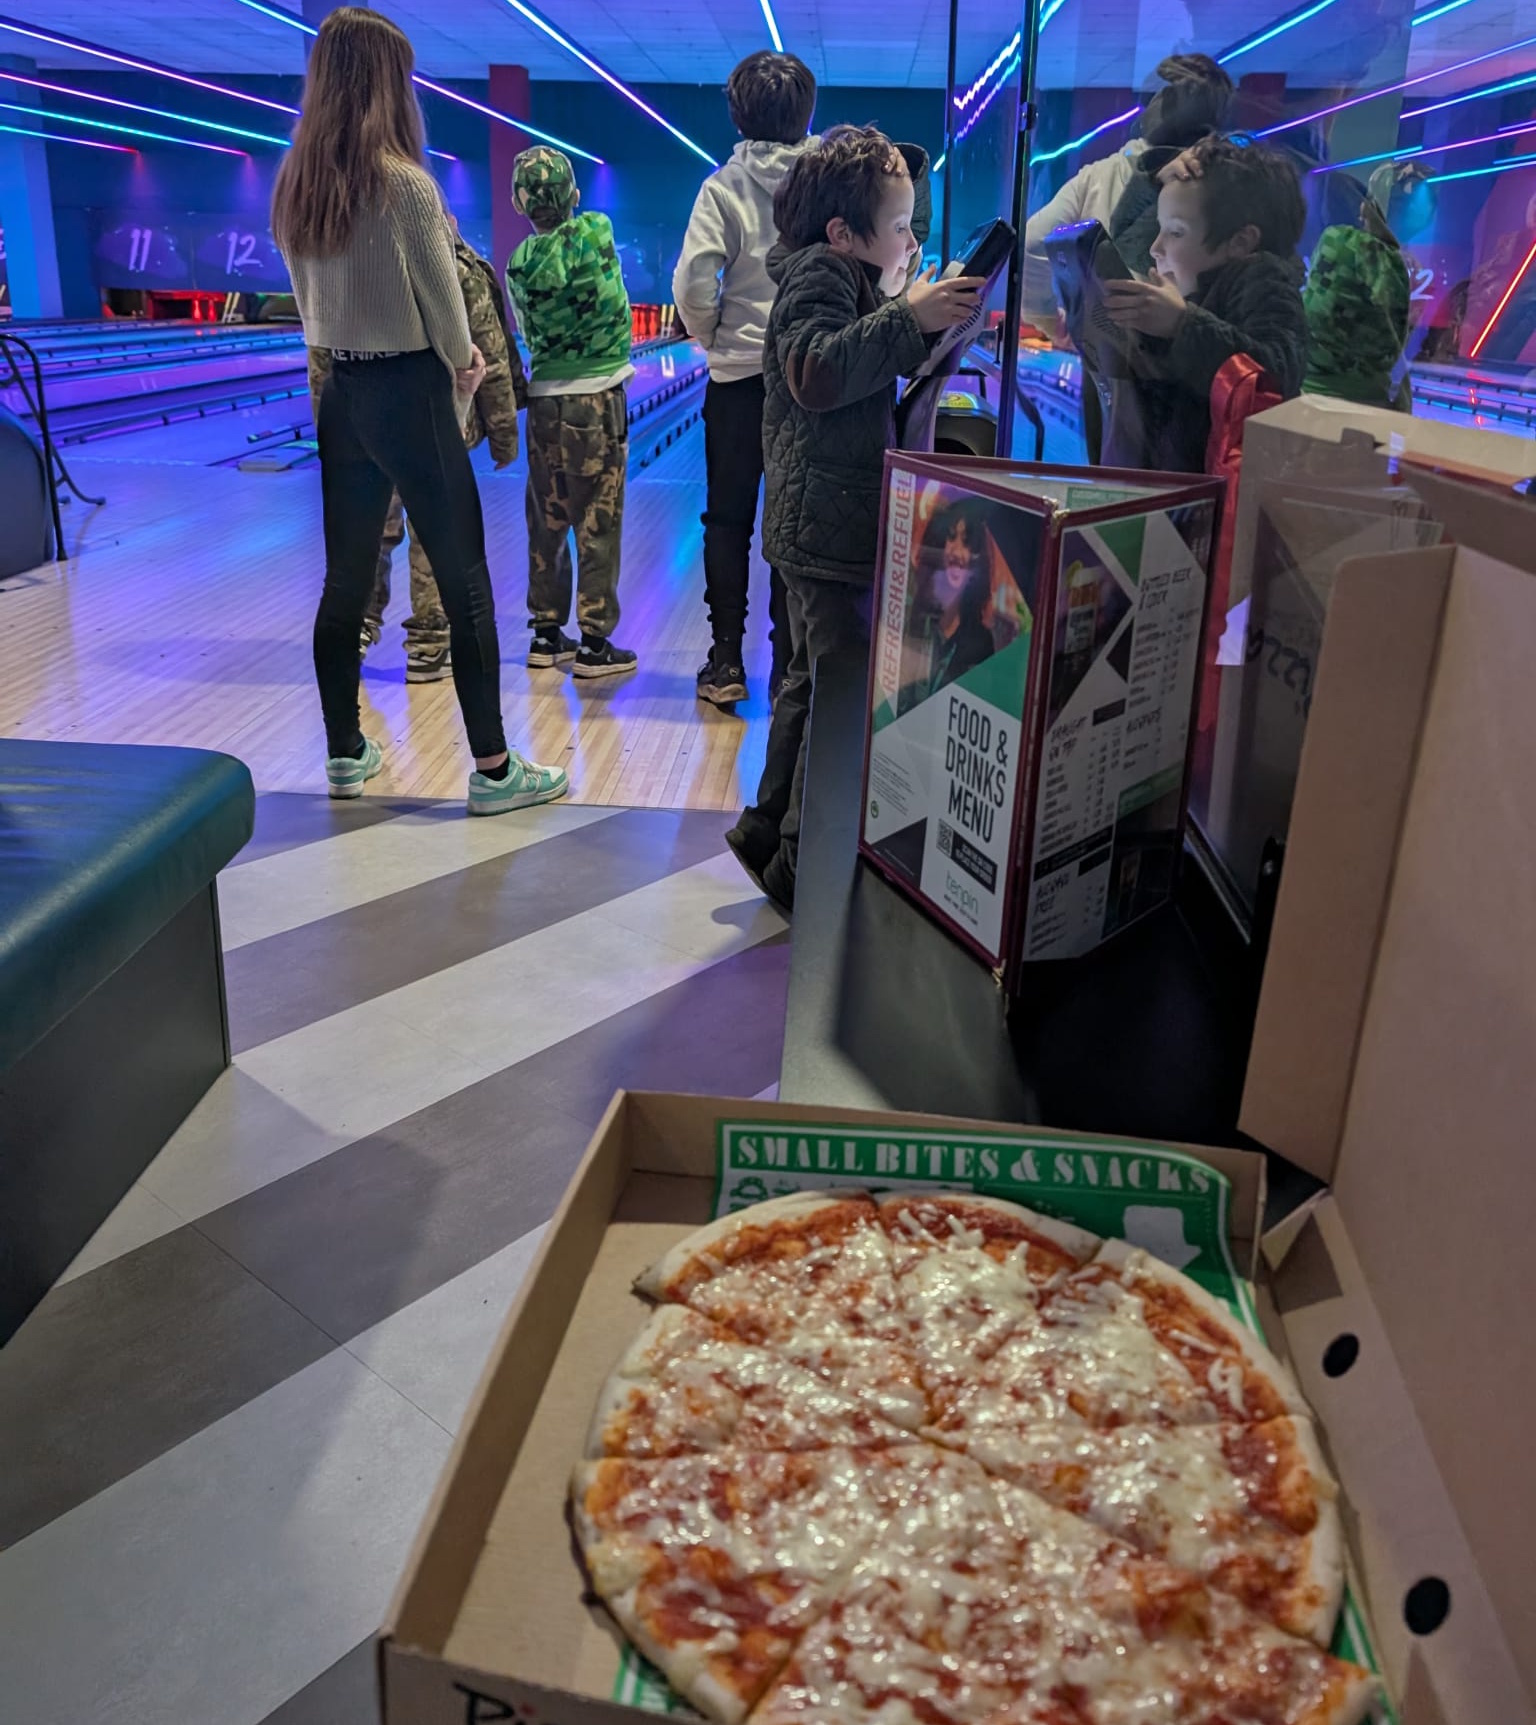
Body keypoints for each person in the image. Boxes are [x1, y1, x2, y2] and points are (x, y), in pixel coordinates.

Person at [273, 6, 565, 813]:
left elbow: (308, 315)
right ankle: (498, 771)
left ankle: (343, 752)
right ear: (385, 85)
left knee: (344, 580)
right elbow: (449, 317)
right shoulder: (405, 185)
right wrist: (466, 377)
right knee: (467, 580)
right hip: (411, 394)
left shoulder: (296, 185)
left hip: (345, 396)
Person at [724, 125, 982, 912]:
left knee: (809, 683)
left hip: (821, 526)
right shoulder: (819, 277)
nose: (910, 238)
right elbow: (817, 371)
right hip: (828, 538)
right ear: (844, 233)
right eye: (900, 226)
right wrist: (910, 318)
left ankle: (767, 832)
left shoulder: (840, 276)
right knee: (836, 702)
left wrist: (916, 311)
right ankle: (803, 869)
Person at [306, 228, 526, 682]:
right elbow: (491, 353)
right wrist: (504, 434)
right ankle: (429, 644)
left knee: (371, 529)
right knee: (433, 534)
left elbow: (321, 353)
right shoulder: (457, 264)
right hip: (437, 418)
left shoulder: (346, 259)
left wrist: (330, 429)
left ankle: (357, 631)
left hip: (366, 420)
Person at [674, 51, 818, 710]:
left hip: (736, 381)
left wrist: (713, 338)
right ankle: (790, 661)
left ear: (737, 113)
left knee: (728, 520)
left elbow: (693, 282)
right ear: (805, 114)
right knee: (791, 524)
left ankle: (726, 661)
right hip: (806, 379)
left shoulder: (723, 187)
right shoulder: (827, 184)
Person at [1101, 136, 1309, 474]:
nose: (1156, 247)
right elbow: (1128, 243)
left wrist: (1182, 325)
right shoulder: (1198, 275)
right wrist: (1155, 180)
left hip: (1216, 509)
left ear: (1239, 242)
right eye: (1160, 228)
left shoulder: (1266, 282)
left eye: (1176, 232)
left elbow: (1274, 376)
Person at [505, 146, 637, 680]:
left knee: (548, 516)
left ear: (519, 204)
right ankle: (594, 643)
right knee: (597, 520)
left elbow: (529, 331)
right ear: (575, 197)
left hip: (545, 401)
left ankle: (544, 633)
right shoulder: (596, 230)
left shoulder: (517, 263)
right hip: (598, 397)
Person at [1108, 55, 1235, 278]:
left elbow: (1130, 252)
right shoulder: (1189, 164)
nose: (1145, 110)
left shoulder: (1195, 173)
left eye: (1157, 97)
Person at [899, 498, 998, 715]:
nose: (957, 553)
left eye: (967, 542)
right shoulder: (916, 621)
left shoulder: (981, 642)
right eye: (951, 538)